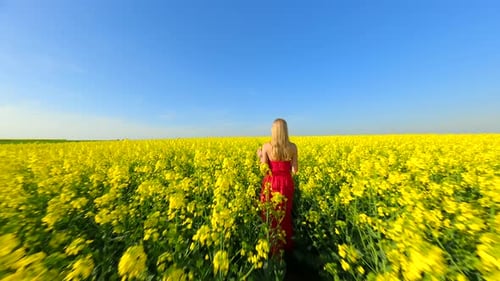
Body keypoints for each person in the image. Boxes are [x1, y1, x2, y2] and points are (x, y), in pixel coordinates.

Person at [257, 118, 298, 254]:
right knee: (284, 214)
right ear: (285, 130)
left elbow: (263, 168)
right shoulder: (293, 147)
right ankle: (285, 246)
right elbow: (295, 170)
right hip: (286, 183)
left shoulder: (266, 147)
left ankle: (271, 245)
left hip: (271, 182)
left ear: (273, 131)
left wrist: (260, 156)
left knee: (270, 213)